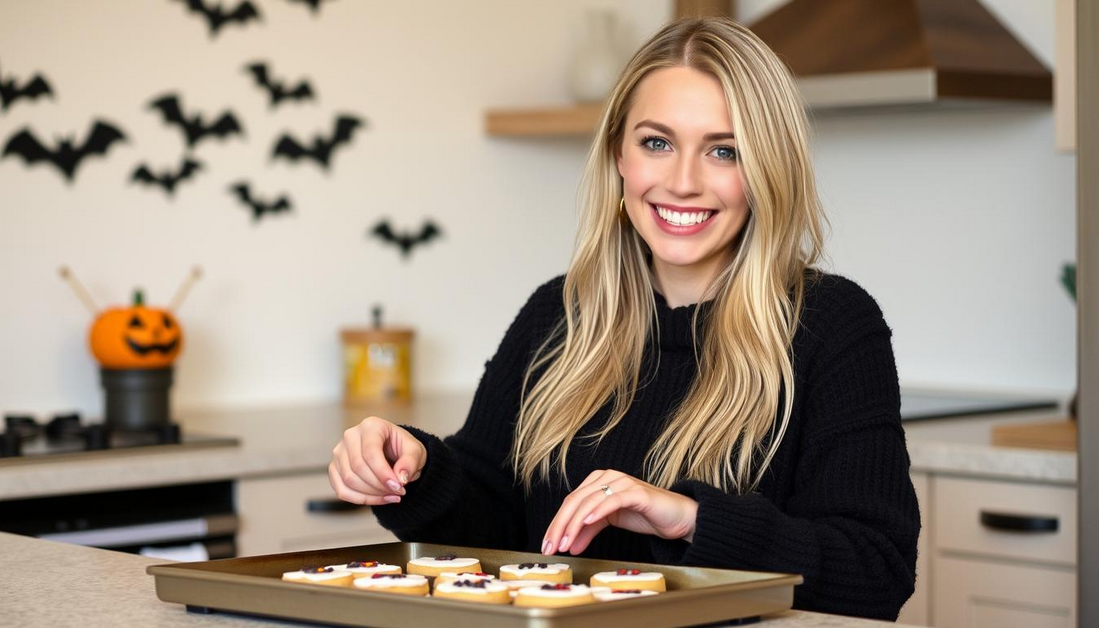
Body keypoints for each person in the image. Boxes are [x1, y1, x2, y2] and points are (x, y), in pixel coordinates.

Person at [329, 16, 919, 621]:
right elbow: (491, 528)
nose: (682, 182)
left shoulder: (832, 326)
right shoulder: (556, 315)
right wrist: (416, 469)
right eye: (656, 142)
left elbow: (876, 572)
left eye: (724, 151)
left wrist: (690, 520)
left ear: (767, 169)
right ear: (618, 153)